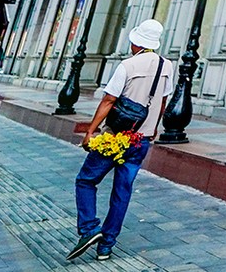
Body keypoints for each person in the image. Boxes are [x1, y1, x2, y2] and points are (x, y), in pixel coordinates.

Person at [70, 20, 172, 262]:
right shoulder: (166, 66)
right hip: (141, 140)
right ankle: (106, 246)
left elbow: (108, 101)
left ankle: (89, 229)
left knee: (86, 180)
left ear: (136, 42)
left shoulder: (127, 65)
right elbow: (163, 102)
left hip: (114, 138)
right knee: (122, 191)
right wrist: (153, 128)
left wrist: (90, 132)